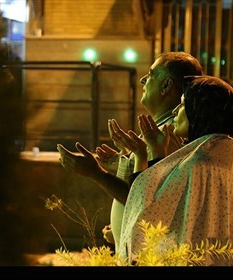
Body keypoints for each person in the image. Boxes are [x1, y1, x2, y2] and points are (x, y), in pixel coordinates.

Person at [112, 75, 233, 266]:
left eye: (183, 105)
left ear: (200, 111)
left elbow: (148, 220)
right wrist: (156, 153)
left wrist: (141, 156)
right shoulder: (224, 152)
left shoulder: (200, 164)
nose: (175, 111)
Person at [59, 52, 203, 249]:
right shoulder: (160, 130)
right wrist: (123, 161)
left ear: (166, 86)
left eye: (151, 74)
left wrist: (96, 173)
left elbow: (147, 203)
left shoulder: (167, 135)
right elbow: (144, 182)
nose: (143, 79)